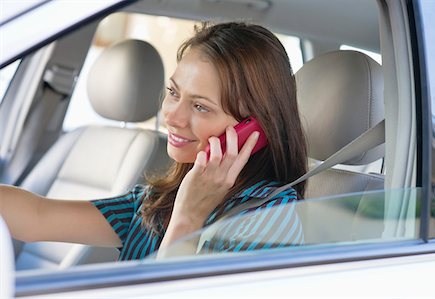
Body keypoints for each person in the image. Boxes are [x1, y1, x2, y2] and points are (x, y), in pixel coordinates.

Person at [0, 22, 308, 261]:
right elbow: (37, 216)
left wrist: (189, 218)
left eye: (200, 107)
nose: (173, 116)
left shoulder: (270, 215)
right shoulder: (156, 202)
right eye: (174, 92)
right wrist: (183, 207)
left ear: (254, 129)